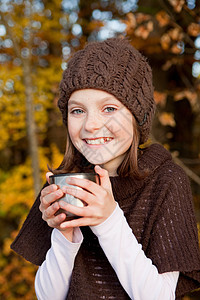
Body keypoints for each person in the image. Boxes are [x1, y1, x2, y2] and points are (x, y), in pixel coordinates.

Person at [11, 37, 200, 300]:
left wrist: (109, 220)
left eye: (109, 108)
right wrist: (64, 235)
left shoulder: (166, 181)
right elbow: (48, 295)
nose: (90, 125)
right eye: (77, 111)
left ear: (138, 117)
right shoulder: (65, 182)